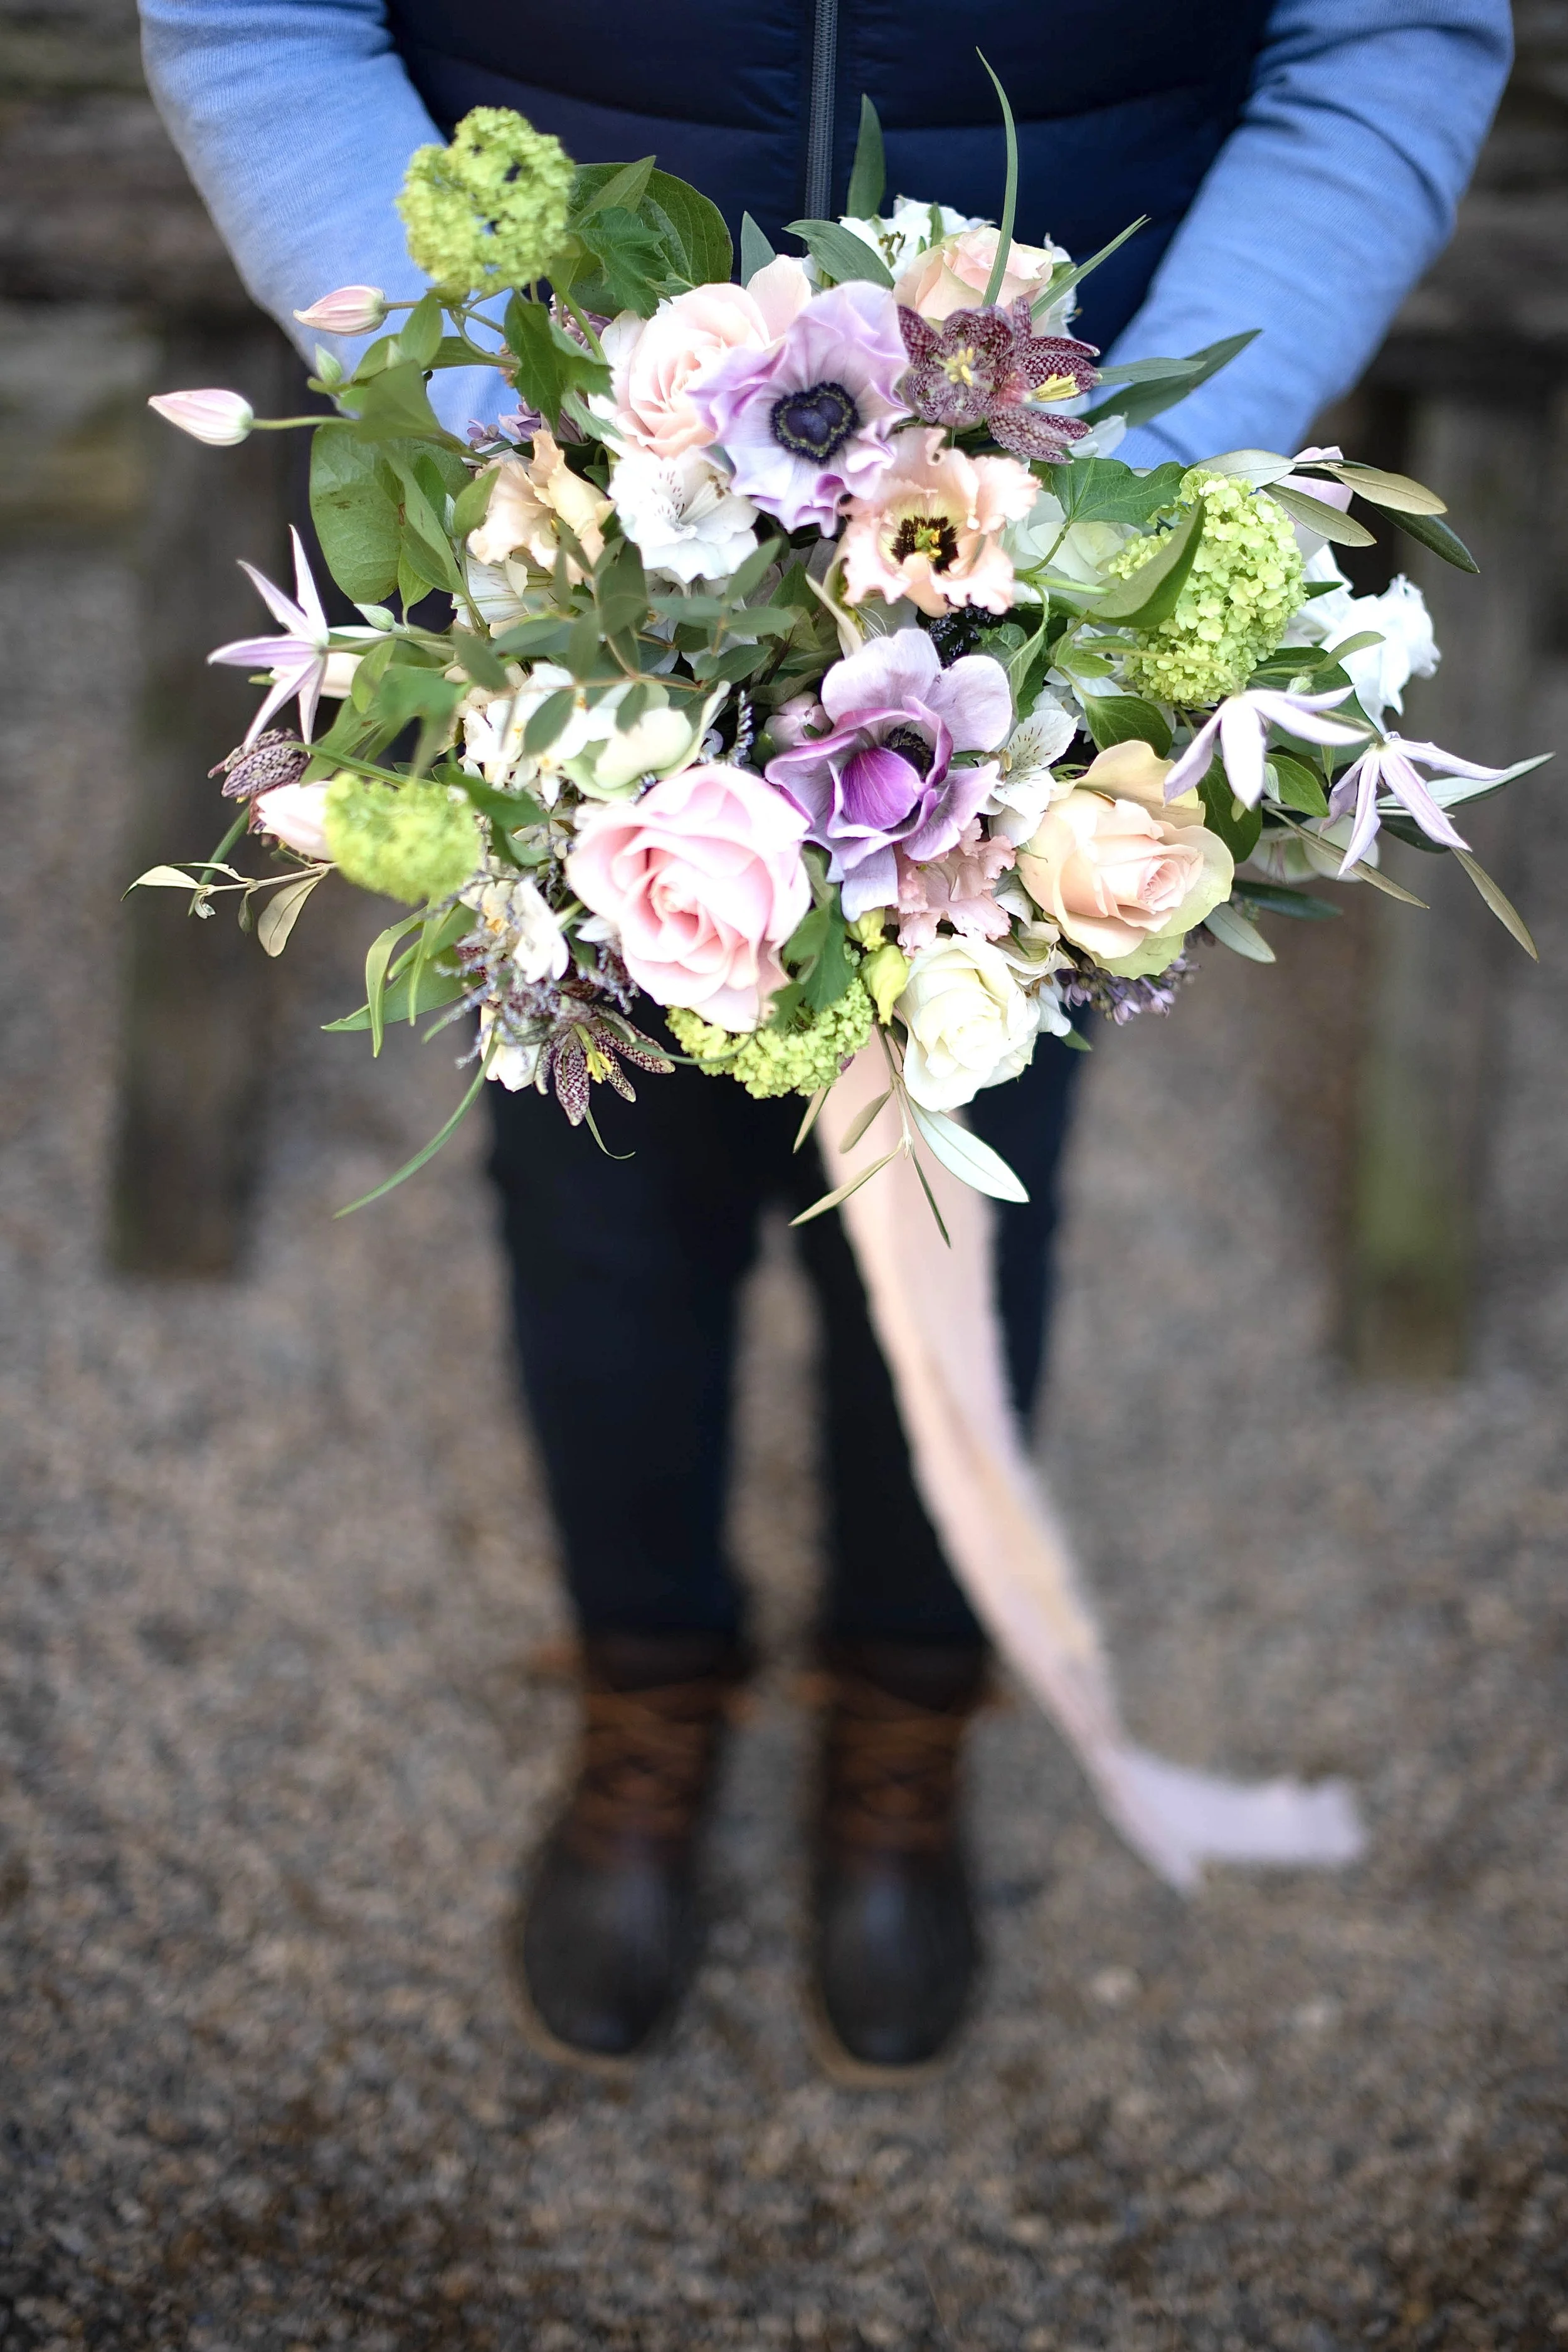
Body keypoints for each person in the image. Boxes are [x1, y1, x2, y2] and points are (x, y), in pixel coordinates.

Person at [139, 0, 1510, 2077]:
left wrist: (1110, 500)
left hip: (1046, 516)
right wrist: (483, 411)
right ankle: (649, 1680)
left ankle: (905, 1697)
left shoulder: (1072, 524)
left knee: (965, 1134)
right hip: (557, 522)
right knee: (582, 1140)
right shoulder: (526, 472)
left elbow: (1386, 36)